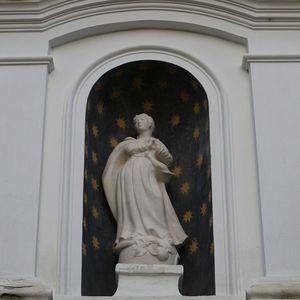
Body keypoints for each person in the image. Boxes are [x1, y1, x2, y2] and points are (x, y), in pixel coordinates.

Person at [102, 113, 187, 264]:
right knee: (132, 203)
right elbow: (130, 149)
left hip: (148, 172)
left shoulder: (157, 142)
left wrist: (158, 150)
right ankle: (134, 234)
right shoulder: (130, 142)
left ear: (150, 124)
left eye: (143, 120)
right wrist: (148, 145)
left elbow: (168, 159)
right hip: (130, 173)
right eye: (137, 121)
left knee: (155, 199)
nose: (139, 122)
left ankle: (160, 234)